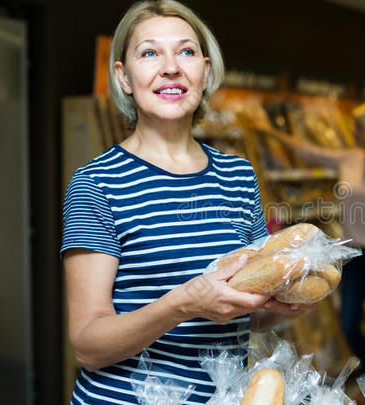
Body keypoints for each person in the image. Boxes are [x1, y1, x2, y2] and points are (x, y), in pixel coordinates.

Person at [61, 2, 313, 403]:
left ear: (206, 71)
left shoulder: (238, 176)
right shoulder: (97, 183)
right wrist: (181, 304)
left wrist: (288, 299)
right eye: (149, 53)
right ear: (124, 77)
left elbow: (242, 314)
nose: (171, 67)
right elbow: (88, 345)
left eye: (186, 51)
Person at [267, 101, 365, 369]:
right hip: (352, 252)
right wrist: (270, 131)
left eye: (359, 127)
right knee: (348, 322)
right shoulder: (351, 158)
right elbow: (308, 152)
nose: (354, 132)